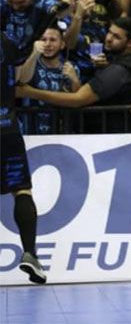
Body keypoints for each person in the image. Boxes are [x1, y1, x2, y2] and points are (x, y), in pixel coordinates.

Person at [0, 28, 51, 284]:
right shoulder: (8, 41)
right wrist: (32, 51)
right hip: (6, 127)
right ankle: (30, 253)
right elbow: (23, 76)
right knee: (21, 190)